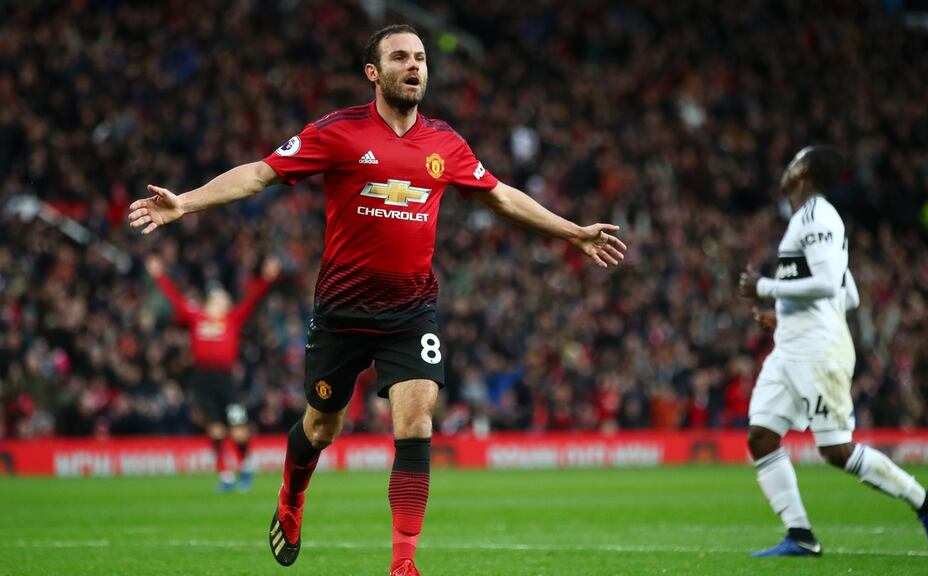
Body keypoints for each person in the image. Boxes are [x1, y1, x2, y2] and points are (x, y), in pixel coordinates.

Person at [127, 24, 626, 575]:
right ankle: (292, 496)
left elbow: (502, 195)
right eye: (400, 58)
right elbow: (260, 173)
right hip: (341, 312)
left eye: (419, 58)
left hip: (411, 312)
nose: (414, 66)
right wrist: (186, 204)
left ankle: (403, 563)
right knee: (321, 428)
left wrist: (572, 232)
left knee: (416, 422)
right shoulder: (338, 132)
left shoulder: (445, 143)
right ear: (374, 72)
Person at [737, 145, 928, 558]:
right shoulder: (805, 220)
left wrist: (765, 287)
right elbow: (848, 294)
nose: (786, 169)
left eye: (794, 162)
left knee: (836, 450)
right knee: (761, 435)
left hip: (818, 350)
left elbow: (829, 282)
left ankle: (927, 501)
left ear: (805, 173)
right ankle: (800, 534)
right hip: (790, 348)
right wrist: (786, 317)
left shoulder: (818, 214)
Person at [146, 256, 280, 492]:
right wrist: (159, 274)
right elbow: (175, 299)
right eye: (219, 299)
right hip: (203, 378)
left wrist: (267, 279)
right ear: (210, 302)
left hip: (226, 380)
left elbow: (252, 299)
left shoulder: (232, 318)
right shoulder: (196, 317)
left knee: (238, 428)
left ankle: (246, 465)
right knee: (216, 428)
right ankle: (226, 475)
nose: (222, 302)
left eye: (224, 300)